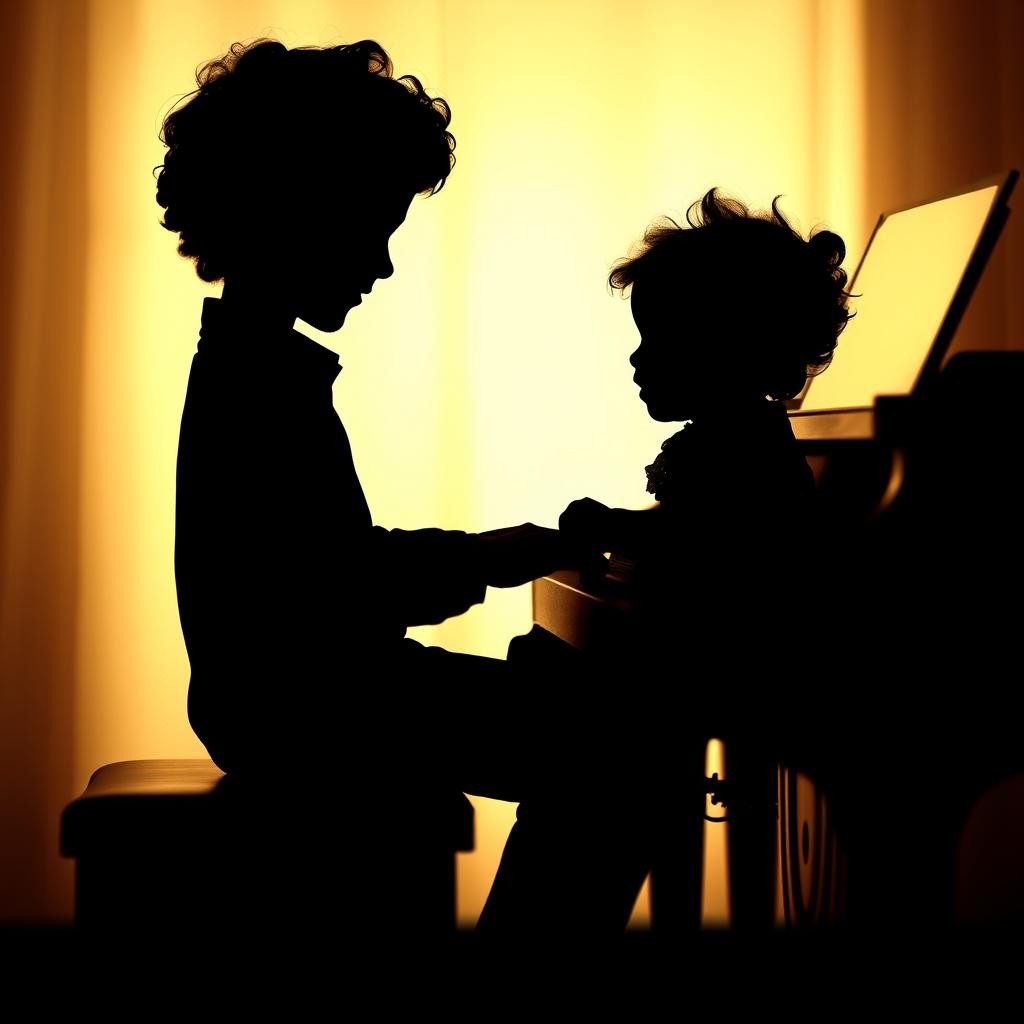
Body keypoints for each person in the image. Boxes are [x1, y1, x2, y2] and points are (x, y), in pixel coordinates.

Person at [477, 188, 854, 934]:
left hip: (718, 662)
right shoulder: (736, 437)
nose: (638, 357)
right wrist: (624, 526)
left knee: (609, 751)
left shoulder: (742, 449)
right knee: (590, 727)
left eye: (661, 339)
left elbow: (717, 544)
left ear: (729, 345)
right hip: (690, 661)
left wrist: (622, 530)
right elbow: (697, 532)